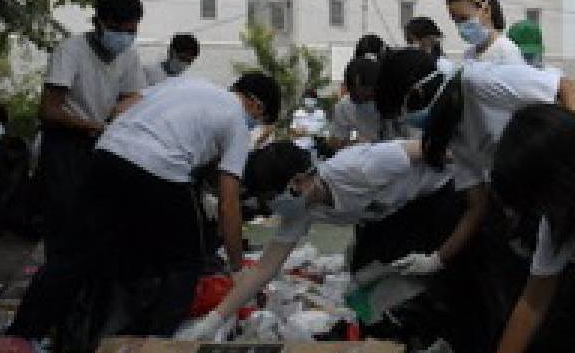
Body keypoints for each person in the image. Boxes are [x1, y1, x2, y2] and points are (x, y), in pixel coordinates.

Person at [9, 72, 280, 344]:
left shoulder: (186, 83)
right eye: (259, 120)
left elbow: (121, 107)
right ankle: (157, 344)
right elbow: (228, 203)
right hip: (161, 170)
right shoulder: (236, 121)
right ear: (256, 106)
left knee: (73, 254)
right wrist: (236, 268)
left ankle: (19, 338)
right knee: (183, 264)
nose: (254, 125)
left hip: (108, 155)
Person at [177, 137, 454, 340]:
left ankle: (432, 323)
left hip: (441, 193)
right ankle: (393, 332)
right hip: (390, 216)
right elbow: (264, 269)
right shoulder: (301, 210)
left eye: (271, 197)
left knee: (431, 270)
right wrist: (211, 322)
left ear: (297, 182)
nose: (271, 207)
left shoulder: (357, 167)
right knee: (363, 277)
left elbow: (428, 147)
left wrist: (475, 179)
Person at [373, 48, 575, 277]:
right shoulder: (453, 132)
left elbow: (567, 88)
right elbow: (477, 205)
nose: (408, 122)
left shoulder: (479, 82)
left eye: (403, 113)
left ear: (416, 93)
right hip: (543, 197)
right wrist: (436, 260)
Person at [36, 0, 146, 264]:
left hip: (103, 144)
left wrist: (117, 119)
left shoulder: (129, 56)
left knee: (101, 224)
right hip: (66, 147)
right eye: (118, 30)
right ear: (99, 23)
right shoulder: (71, 51)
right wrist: (91, 126)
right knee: (65, 225)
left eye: (131, 31)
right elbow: (49, 110)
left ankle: (91, 294)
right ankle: (60, 293)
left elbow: (133, 96)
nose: (125, 38)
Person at [446, 0, 524, 65]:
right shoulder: (469, 54)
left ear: (486, 10)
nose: (461, 25)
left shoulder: (506, 52)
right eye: (456, 20)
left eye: (464, 18)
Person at [327, 56, 384, 148]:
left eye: (363, 89)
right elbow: (337, 139)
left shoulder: (390, 103)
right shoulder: (344, 107)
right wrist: (348, 143)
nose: (358, 95)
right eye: (353, 90)